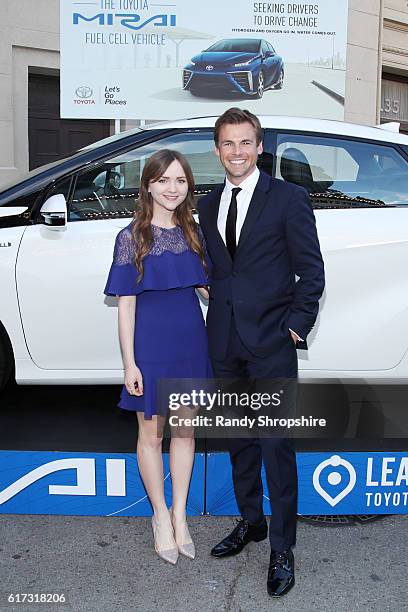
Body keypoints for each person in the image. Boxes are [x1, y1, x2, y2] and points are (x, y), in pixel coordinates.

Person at [198, 108, 325, 597]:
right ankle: (251, 522)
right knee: (239, 442)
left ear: (259, 146)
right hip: (224, 342)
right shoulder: (206, 206)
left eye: (246, 143)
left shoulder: (288, 198)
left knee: (276, 446)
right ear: (217, 149)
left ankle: (282, 548)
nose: (237, 152)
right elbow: (218, 267)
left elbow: (311, 271)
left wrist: (295, 327)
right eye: (228, 144)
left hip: (272, 342)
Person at [104, 149, 212, 565]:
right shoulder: (131, 237)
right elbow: (126, 306)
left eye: (180, 181)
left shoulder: (195, 232)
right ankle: (160, 517)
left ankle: (181, 514)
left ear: (188, 187)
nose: (172, 188)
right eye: (164, 180)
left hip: (190, 344)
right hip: (150, 348)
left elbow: (207, 291)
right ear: (148, 184)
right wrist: (130, 363)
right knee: (151, 435)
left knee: (184, 433)